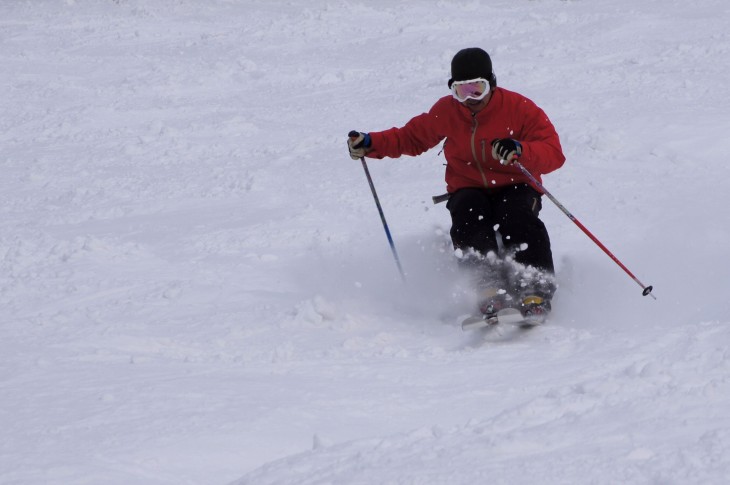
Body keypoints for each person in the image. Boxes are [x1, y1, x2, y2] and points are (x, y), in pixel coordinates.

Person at [347, 47, 565, 320]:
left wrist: (520, 150)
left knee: (518, 215)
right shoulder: (447, 112)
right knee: (467, 213)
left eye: (478, 89)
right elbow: (411, 138)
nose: (470, 98)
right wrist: (371, 143)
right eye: (461, 91)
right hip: (468, 185)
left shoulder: (519, 109)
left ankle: (534, 289)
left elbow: (554, 153)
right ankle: (487, 288)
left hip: (515, 183)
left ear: (492, 84)